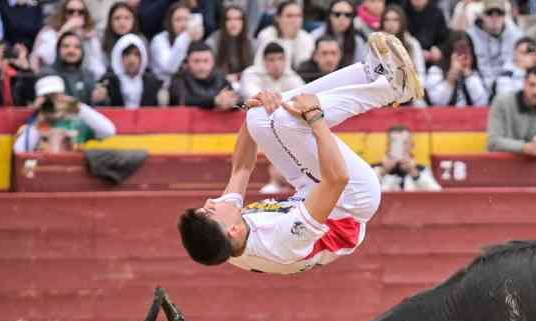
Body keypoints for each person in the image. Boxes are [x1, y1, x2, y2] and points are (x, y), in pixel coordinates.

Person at [178, 32, 422, 274]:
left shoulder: (226, 230)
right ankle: (390, 89)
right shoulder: (281, 242)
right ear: (234, 231)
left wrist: (252, 108)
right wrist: (316, 118)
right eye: (209, 210)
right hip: (351, 203)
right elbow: (337, 180)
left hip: (308, 192)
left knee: (261, 116)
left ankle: (370, 73)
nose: (210, 201)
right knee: (289, 119)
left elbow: (241, 167)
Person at [14, 75, 116, 153]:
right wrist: (40, 118)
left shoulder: (75, 124)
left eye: (56, 97)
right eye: (48, 99)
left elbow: (108, 131)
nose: (53, 103)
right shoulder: (38, 126)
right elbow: (19, 150)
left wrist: (78, 107)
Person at [486, 66, 536, 157]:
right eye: (532, 85)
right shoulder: (502, 102)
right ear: (524, 83)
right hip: (504, 166)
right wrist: (524, 147)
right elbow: (493, 142)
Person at [466, 0, 524, 93]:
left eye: (499, 13)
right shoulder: (469, 36)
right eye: (489, 13)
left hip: (508, 83)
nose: (494, 17)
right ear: (482, 15)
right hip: (479, 83)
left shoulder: (517, 36)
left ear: (505, 16)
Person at [423, 31, 489, 105]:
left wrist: (468, 75)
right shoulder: (436, 71)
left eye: (466, 52)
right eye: (458, 52)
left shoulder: (475, 74)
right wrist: (451, 78)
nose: (462, 57)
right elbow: (437, 103)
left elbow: (482, 103)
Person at [170, 42, 241, 109]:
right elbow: (183, 102)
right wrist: (215, 101)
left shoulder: (221, 77)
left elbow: (235, 101)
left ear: (213, 62)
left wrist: (230, 102)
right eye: (196, 61)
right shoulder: (179, 79)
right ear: (187, 62)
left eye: (206, 61)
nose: (201, 66)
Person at [104, 34, 166, 108]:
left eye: (136, 54)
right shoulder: (109, 81)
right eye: (127, 54)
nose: (131, 60)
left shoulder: (152, 82)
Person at [374, 125, 442, 191]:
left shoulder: (422, 170)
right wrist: (382, 172)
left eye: (404, 142)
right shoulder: (373, 169)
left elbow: (437, 193)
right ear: (388, 144)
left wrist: (414, 173)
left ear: (412, 144)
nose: (400, 147)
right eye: (395, 142)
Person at [403, 0, 449, 65]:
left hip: (432, 62)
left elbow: (445, 39)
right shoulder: (401, 13)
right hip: (407, 61)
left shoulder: (437, 13)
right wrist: (417, 52)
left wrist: (439, 49)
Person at [207, 4, 255, 85]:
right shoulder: (213, 41)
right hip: (218, 85)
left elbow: (255, 70)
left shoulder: (250, 42)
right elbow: (207, 70)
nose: (233, 23)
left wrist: (238, 77)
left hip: (245, 84)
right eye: (229, 19)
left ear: (243, 22)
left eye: (237, 19)